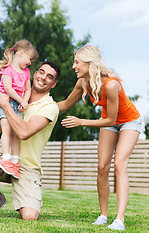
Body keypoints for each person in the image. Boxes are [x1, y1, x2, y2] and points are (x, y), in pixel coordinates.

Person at [58, 45, 141, 231]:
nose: (73, 66)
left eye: (77, 62)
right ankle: (103, 215)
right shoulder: (83, 83)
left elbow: (111, 119)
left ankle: (119, 220)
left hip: (129, 121)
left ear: (89, 63)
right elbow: (65, 104)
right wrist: (36, 108)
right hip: (109, 122)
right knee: (102, 167)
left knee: (119, 164)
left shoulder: (111, 84)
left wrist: (81, 122)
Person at [0, 61, 60, 221]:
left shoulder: (50, 106)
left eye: (49, 77)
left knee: (29, 217)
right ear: (34, 74)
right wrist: (5, 104)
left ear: (53, 84)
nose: (43, 78)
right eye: (41, 72)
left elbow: (24, 132)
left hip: (28, 167)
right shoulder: (15, 96)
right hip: (7, 159)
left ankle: (30, 195)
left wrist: (6, 105)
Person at [0, 39, 39, 179]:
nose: (30, 63)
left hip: (18, 104)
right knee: (7, 130)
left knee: (16, 133)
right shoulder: (7, 70)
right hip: (6, 102)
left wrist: (25, 101)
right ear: (21, 53)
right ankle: (6, 159)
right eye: (29, 59)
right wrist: (21, 100)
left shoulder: (26, 72)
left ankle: (15, 162)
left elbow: (28, 89)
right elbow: (8, 89)